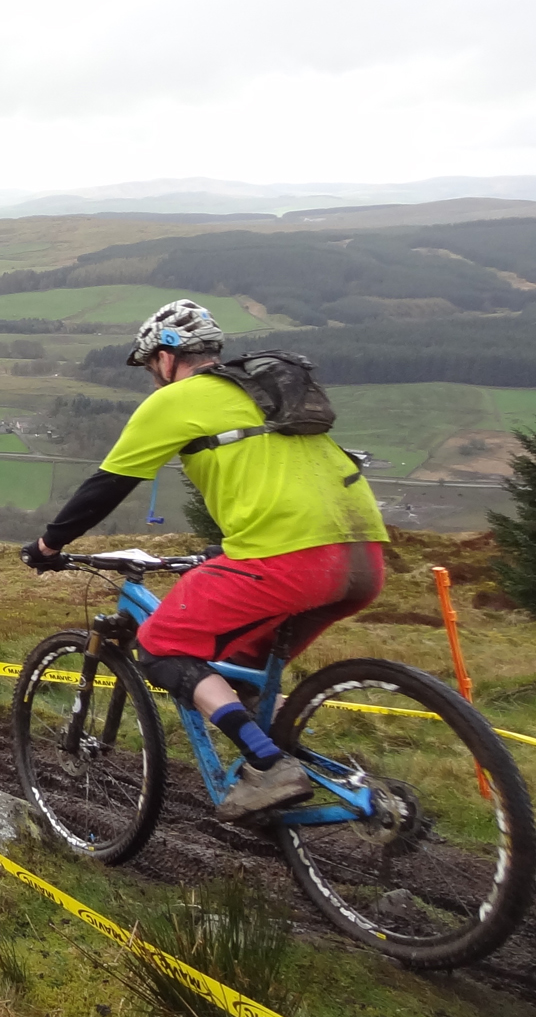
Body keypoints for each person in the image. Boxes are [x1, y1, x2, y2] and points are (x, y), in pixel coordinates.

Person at [20, 299, 388, 822]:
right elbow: (272, 476)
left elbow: (109, 484)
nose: (152, 378)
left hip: (287, 557)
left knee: (160, 646)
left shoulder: (177, 399)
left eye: (150, 366)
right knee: (242, 668)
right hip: (362, 557)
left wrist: (48, 544)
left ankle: (270, 767)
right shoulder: (256, 393)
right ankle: (288, 785)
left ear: (167, 357)